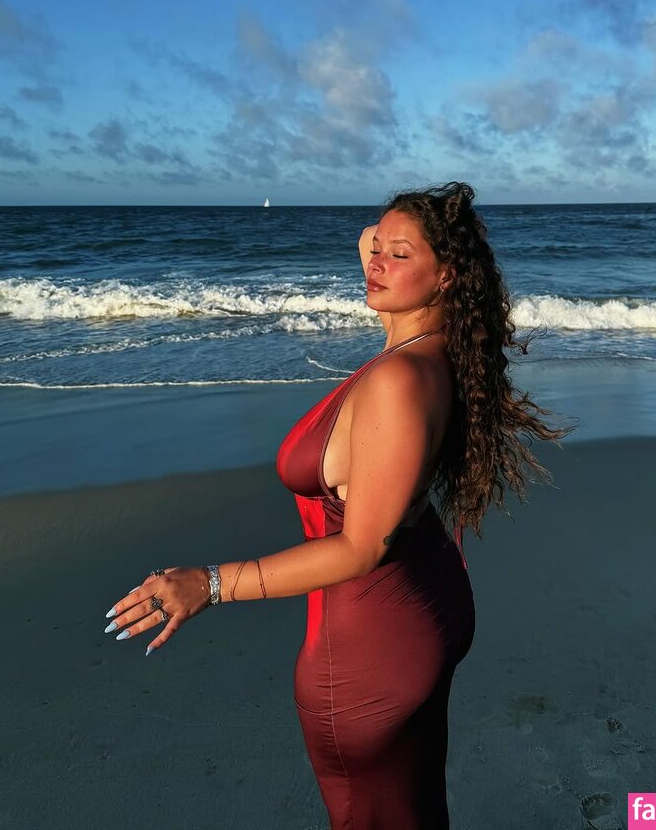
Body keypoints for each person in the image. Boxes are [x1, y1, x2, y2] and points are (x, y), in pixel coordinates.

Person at [103, 180, 571, 829]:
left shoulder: (398, 380)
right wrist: (406, 238)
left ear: (446, 276)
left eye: (399, 255)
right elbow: (373, 243)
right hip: (424, 607)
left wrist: (209, 584)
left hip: (366, 649)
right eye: (377, 249)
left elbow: (359, 548)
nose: (375, 262)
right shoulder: (431, 344)